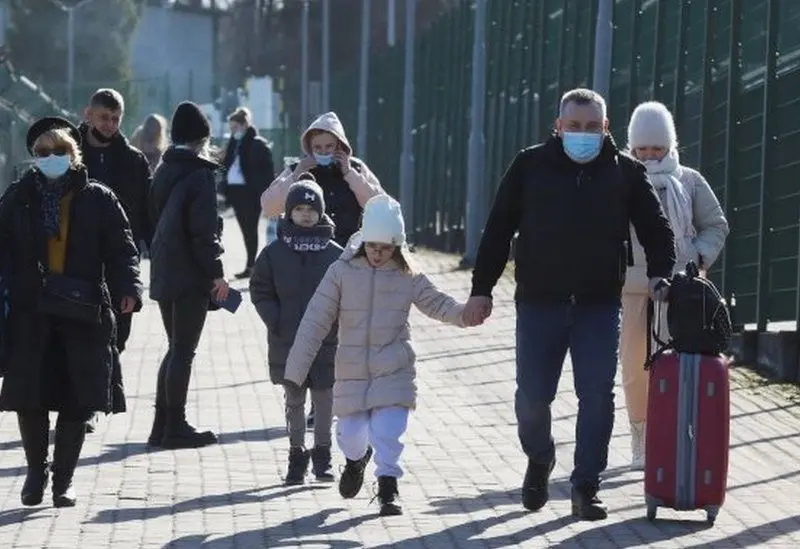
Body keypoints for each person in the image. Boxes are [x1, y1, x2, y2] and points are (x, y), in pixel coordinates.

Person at [462, 88, 676, 521]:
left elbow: (657, 229)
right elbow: (498, 228)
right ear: (558, 127)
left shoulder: (625, 173)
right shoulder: (530, 165)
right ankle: (540, 457)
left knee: (596, 395)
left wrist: (661, 274)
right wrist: (482, 289)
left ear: (606, 129)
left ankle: (586, 486)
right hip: (540, 302)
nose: (583, 134)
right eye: (574, 126)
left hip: (599, 304)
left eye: (592, 127)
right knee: (532, 399)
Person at [284, 194, 468, 516]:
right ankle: (356, 461)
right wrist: (295, 372)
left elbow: (437, 303)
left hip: (394, 367)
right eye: (372, 247)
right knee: (350, 436)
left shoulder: (408, 273)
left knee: (388, 430)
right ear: (363, 241)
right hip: (352, 370)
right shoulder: (341, 271)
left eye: (386, 248)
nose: (378, 254)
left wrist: (465, 314)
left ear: (397, 246)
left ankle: (387, 487)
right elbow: (315, 320)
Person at [0, 117, 142, 507]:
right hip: (31, 312)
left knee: (78, 399)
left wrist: (128, 287)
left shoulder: (97, 197)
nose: (51, 158)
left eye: (59, 151)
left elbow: (121, 249)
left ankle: (63, 480)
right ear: (34, 156)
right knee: (31, 397)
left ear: (74, 153)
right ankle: (34, 473)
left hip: (84, 312)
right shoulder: (18, 196)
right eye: (43, 153)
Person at [621, 101, 729, 469]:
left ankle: (680, 434)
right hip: (633, 290)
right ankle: (640, 435)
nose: (649, 156)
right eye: (642, 149)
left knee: (683, 363)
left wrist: (698, 260)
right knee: (636, 365)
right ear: (632, 147)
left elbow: (715, 225)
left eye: (657, 148)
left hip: (682, 291)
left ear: (670, 146)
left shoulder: (689, 181)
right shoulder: (620, 178)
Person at [250, 173, 342, 485]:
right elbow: (260, 289)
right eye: (299, 209)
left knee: (325, 399)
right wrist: (274, 319)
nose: (305, 214)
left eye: (311, 209)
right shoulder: (274, 253)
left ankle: (323, 455)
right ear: (289, 212)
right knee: (294, 400)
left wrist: (337, 325)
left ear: (321, 213)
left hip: (326, 341)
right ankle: (296, 455)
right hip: (287, 338)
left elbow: (348, 293)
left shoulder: (335, 254)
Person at [147, 101, 230, 449]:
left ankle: (162, 424)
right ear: (202, 139)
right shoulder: (199, 175)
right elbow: (203, 233)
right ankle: (175, 425)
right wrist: (217, 274)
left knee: (174, 348)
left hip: (164, 270)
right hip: (190, 275)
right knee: (184, 350)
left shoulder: (164, 169)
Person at [80, 88, 151, 356]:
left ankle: (108, 396)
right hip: (76, 267)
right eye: (103, 117)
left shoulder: (134, 161)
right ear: (88, 115)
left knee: (117, 343)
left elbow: (148, 214)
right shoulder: (67, 156)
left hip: (119, 266)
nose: (109, 125)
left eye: (115, 119)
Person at [261, 111, 384, 248]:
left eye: (329, 146)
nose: (324, 152)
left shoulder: (356, 168)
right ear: (309, 148)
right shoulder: (298, 168)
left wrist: (350, 174)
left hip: (348, 252)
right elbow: (269, 207)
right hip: (306, 253)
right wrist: (296, 176)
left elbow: (380, 205)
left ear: (339, 145)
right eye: (317, 148)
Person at [221, 107, 275, 279]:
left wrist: (264, 195)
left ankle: (252, 265)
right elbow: (227, 165)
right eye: (231, 128)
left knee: (251, 230)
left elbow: (265, 172)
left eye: (235, 127)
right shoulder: (233, 143)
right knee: (246, 230)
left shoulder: (257, 144)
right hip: (235, 192)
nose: (233, 131)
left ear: (245, 125)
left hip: (250, 193)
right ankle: (250, 265)